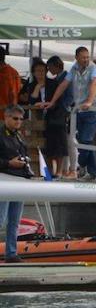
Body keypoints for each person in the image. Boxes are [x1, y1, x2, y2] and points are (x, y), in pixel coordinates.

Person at [0, 104, 31, 263]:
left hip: (19, 181)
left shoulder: (18, 135)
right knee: (1, 219)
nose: (18, 121)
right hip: (4, 180)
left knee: (14, 221)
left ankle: (11, 253)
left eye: (21, 119)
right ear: (6, 117)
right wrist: (8, 163)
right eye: (15, 118)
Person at [66, 46, 96, 180]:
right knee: (83, 141)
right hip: (79, 109)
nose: (86, 59)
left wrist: (89, 101)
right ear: (76, 58)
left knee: (85, 140)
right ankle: (93, 172)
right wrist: (52, 101)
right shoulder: (74, 68)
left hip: (93, 110)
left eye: (87, 57)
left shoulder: (94, 68)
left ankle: (82, 165)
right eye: (83, 57)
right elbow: (65, 83)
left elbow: (95, 83)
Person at [42, 56, 71, 177]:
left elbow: (65, 96)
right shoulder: (58, 78)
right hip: (56, 112)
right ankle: (56, 171)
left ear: (56, 65)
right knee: (54, 142)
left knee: (60, 142)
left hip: (60, 112)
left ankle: (59, 171)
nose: (49, 70)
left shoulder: (64, 78)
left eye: (49, 67)